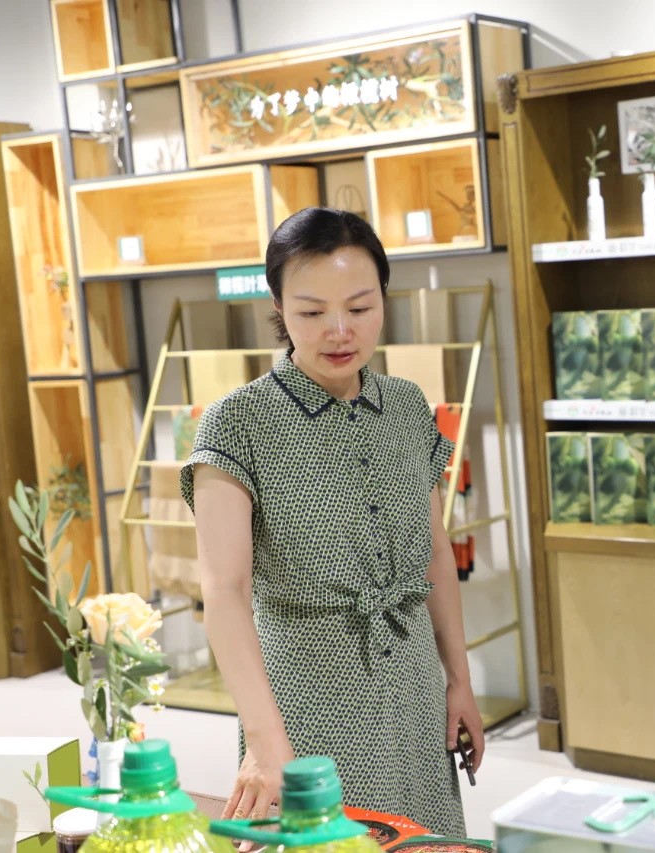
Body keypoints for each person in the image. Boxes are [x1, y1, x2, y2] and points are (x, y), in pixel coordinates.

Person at [181, 207, 483, 838]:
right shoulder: (237, 423)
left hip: (415, 684)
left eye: (361, 307)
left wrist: (459, 682)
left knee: (426, 841)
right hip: (307, 697)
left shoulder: (407, 406)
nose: (340, 331)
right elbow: (225, 592)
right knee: (333, 843)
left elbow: (435, 555)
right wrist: (265, 742)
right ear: (279, 307)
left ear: (383, 300)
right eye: (313, 312)